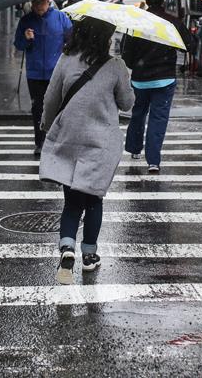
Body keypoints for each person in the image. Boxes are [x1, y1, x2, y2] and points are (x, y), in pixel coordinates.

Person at [38, 17, 134, 285]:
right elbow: (127, 103)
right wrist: (127, 80)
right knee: (93, 200)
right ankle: (89, 255)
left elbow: (51, 98)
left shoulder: (66, 59)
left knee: (71, 200)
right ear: (105, 38)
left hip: (69, 138)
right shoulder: (116, 66)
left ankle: (67, 248)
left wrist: (47, 125)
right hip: (100, 143)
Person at [121, 0, 195, 173]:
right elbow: (190, 46)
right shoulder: (172, 22)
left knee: (138, 113)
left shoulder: (137, 22)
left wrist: (138, 64)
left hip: (140, 79)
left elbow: (127, 55)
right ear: (163, 0)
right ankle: (153, 160)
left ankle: (134, 148)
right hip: (164, 78)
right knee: (158, 118)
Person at [13, 0, 73, 155]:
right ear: (31, 4)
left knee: (58, 107)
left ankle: (56, 140)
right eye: (35, 2)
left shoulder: (60, 17)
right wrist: (26, 39)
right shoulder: (26, 21)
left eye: (42, 2)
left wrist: (68, 46)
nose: (39, 6)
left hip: (56, 71)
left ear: (48, 2)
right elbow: (18, 45)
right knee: (37, 108)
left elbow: (72, 40)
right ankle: (40, 142)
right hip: (35, 72)